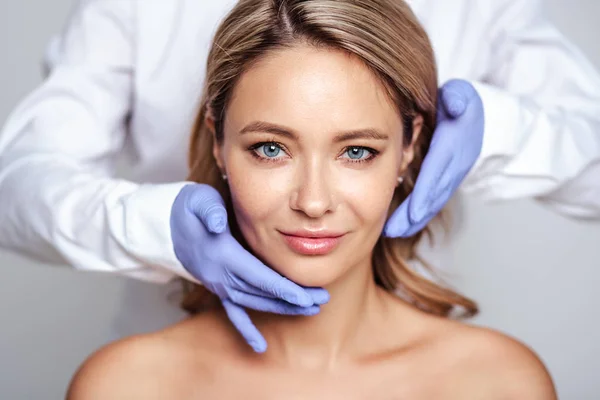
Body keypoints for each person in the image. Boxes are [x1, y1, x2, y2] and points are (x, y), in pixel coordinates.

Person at [1, 0, 599, 352]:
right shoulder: (128, 383)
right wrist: (155, 228)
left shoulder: (492, 380)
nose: (313, 202)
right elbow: (16, 185)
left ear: (412, 142)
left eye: (358, 151)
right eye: (268, 147)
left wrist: (501, 131)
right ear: (216, 134)